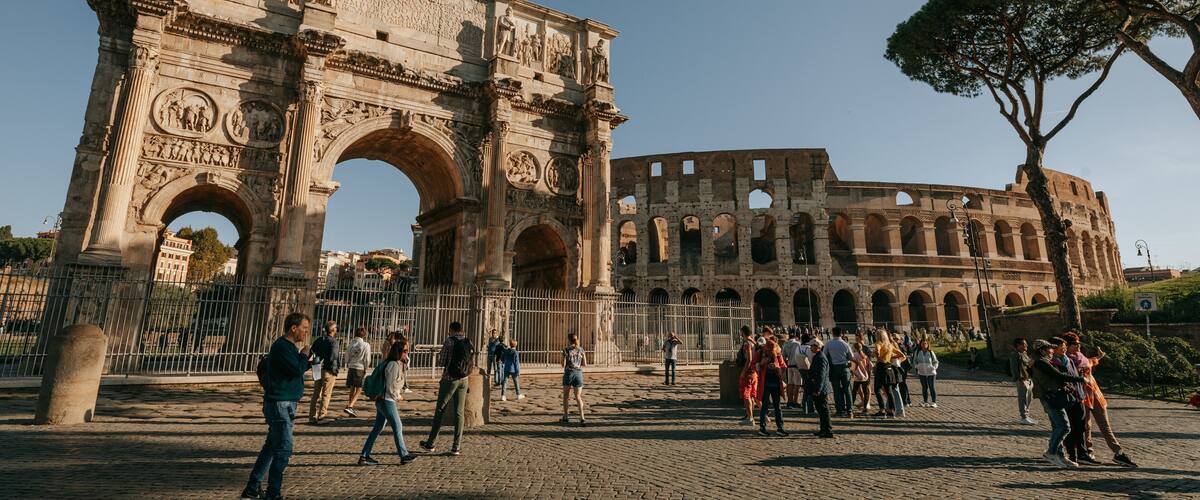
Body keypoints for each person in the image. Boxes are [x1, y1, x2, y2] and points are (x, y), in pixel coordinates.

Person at [242, 312, 312, 500]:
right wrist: (304, 355)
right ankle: (273, 493)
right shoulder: (282, 346)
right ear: (294, 328)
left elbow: (293, 370)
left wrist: (305, 360)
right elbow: (296, 369)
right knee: (283, 449)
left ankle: (252, 489)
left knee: (272, 447)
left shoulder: (287, 348)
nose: (306, 332)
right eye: (304, 328)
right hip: (281, 404)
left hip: (285, 402)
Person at [1063, 332, 1137, 467]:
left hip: (1095, 394)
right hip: (1081, 395)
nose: (1078, 346)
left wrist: (1098, 357)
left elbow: (1089, 363)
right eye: (1075, 344)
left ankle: (1118, 452)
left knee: (1105, 425)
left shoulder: (1081, 356)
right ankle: (1087, 452)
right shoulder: (1066, 360)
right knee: (1086, 427)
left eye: (1079, 343)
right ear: (1067, 346)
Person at [419, 321, 475, 456]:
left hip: (449, 379)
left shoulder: (449, 341)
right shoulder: (469, 341)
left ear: (452, 330)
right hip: (464, 379)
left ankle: (431, 443)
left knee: (440, 409)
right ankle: (456, 447)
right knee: (459, 412)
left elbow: (442, 361)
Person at [358, 339, 417, 466]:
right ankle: (404, 455)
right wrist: (398, 396)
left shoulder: (393, 363)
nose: (407, 354)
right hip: (387, 400)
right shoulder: (393, 365)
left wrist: (406, 364)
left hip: (382, 400)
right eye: (405, 351)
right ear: (399, 352)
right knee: (398, 426)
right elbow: (391, 386)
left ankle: (364, 456)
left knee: (377, 428)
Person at [1030, 338, 1086, 468]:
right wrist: (1081, 379)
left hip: (1052, 396)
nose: (1052, 350)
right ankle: (1051, 452)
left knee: (1058, 426)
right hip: (1051, 397)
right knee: (1064, 426)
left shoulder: (1043, 362)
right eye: (1050, 348)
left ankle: (1060, 455)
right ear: (1042, 350)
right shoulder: (1041, 363)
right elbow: (1058, 376)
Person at [1048, 336, 1088, 465]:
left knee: (1081, 426)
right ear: (1054, 348)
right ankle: (1072, 454)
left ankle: (1083, 453)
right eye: (1061, 346)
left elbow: (1075, 376)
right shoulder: (1051, 363)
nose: (1064, 349)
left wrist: (1081, 393)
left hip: (1077, 396)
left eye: (1065, 346)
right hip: (1065, 398)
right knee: (1069, 427)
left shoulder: (1069, 360)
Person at [754, 337, 788, 436]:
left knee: (778, 406)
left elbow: (783, 366)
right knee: (764, 406)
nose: (769, 351)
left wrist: (778, 369)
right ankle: (762, 428)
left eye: (771, 350)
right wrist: (761, 363)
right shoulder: (760, 353)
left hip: (776, 383)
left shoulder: (777, 353)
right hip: (765, 384)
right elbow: (754, 366)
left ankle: (780, 428)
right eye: (768, 349)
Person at [308, 320, 341, 425]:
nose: (336, 329)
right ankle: (322, 415)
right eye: (335, 328)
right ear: (332, 330)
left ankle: (312, 416)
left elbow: (311, 352)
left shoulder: (318, 340)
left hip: (317, 367)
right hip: (328, 369)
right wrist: (335, 370)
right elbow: (333, 357)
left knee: (316, 393)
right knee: (326, 394)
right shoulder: (334, 342)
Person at [872, 330, 906, 418]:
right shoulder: (890, 345)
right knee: (889, 390)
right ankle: (891, 411)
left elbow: (877, 350)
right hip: (889, 368)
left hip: (881, 367)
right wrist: (890, 357)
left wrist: (877, 355)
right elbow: (901, 355)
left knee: (877, 389)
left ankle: (882, 410)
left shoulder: (878, 343)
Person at [806, 338, 834, 438]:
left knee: (823, 409)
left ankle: (827, 430)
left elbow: (821, 375)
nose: (810, 348)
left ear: (818, 347)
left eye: (812, 346)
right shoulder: (817, 356)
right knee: (821, 410)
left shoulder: (821, 357)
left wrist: (817, 389)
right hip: (818, 387)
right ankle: (823, 429)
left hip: (821, 388)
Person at [825, 327, 854, 417]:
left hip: (834, 369)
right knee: (847, 390)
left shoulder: (829, 344)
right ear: (841, 333)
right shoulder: (845, 344)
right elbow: (851, 357)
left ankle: (839, 410)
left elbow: (824, 355)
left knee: (837, 390)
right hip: (845, 368)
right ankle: (850, 411)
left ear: (833, 333)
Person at [343, 327, 372, 417]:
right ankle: (350, 406)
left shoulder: (351, 343)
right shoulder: (366, 345)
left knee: (352, 387)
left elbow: (346, 355)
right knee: (359, 388)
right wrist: (366, 367)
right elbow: (367, 358)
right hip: (359, 367)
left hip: (351, 366)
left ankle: (350, 405)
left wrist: (348, 363)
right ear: (364, 335)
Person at [561, 332, 588, 425]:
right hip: (578, 374)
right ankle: (582, 417)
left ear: (568, 340)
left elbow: (563, 364)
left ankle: (566, 416)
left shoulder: (566, 350)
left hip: (569, 373)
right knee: (578, 397)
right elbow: (585, 364)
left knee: (566, 396)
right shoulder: (581, 349)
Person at [1009, 337, 1038, 425]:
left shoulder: (1024, 354)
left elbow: (1028, 365)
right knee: (1023, 399)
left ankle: (1026, 415)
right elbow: (1014, 368)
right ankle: (1023, 417)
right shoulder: (1015, 355)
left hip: (1028, 379)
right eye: (1024, 344)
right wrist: (1019, 379)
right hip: (1022, 380)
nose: (1026, 345)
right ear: (1018, 345)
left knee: (1028, 398)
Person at [736, 326, 759, 424]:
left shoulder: (747, 344)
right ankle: (751, 416)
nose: (740, 334)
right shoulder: (754, 342)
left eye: (741, 332)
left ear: (743, 333)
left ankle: (750, 418)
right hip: (754, 372)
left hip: (748, 372)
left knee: (746, 395)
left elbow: (749, 359)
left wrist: (743, 372)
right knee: (752, 395)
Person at [781, 330, 805, 409]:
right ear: (795, 336)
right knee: (797, 385)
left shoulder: (785, 344)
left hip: (789, 366)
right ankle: (795, 401)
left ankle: (789, 401)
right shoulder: (798, 344)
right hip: (797, 366)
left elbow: (783, 356)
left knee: (790, 384)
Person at [912, 339, 939, 408]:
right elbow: (915, 361)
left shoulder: (930, 352)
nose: (924, 345)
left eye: (925, 344)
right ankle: (925, 401)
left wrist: (933, 367)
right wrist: (917, 366)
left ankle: (934, 402)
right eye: (922, 344)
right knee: (924, 387)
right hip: (921, 372)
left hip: (931, 373)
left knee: (931, 387)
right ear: (920, 344)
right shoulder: (918, 352)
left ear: (927, 344)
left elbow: (935, 361)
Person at [850, 341, 873, 416]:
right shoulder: (865, 356)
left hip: (857, 377)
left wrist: (853, 373)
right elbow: (871, 366)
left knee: (854, 393)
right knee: (865, 392)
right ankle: (865, 408)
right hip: (865, 376)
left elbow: (853, 367)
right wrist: (869, 376)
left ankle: (851, 407)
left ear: (854, 348)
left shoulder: (853, 355)